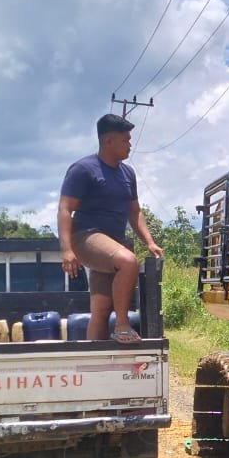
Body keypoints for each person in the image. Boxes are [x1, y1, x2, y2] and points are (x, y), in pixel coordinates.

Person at [58, 113, 163, 342]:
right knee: (128, 261)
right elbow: (65, 209)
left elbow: (134, 212)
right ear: (108, 141)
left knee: (102, 307)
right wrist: (67, 250)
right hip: (85, 236)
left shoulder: (127, 173)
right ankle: (122, 326)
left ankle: (95, 357)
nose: (130, 145)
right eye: (125, 140)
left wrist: (150, 242)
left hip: (112, 243)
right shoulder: (83, 169)